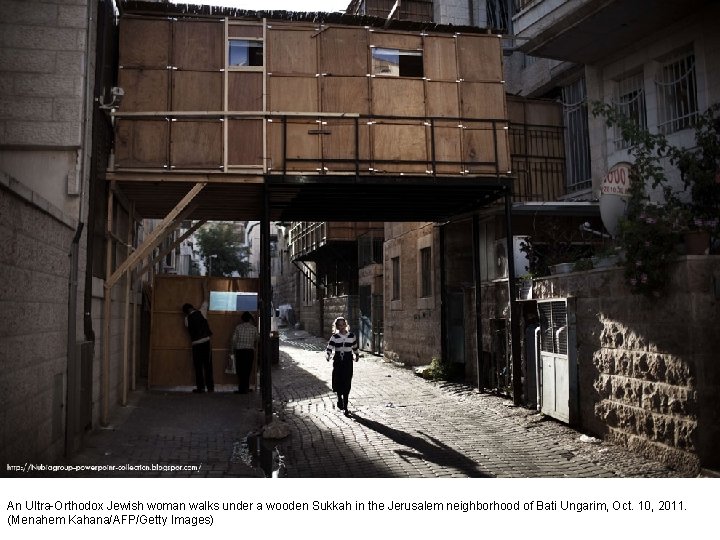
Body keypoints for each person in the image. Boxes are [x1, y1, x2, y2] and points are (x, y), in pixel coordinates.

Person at [325, 316, 359, 417]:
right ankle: (339, 398)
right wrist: (328, 355)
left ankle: (346, 406)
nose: (342, 327)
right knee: (338, 380)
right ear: (337, 326)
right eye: (339, 325)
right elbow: (329, 348)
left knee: (347, 381)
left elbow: (355, 347)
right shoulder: (334, 337)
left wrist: (357, 355)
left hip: (348, 361)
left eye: (343, 324)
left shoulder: (351, 336)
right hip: (338, 361)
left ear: (346, 324)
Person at [182, 301, 214, 393]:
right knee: (208, 366)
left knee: (198, 367)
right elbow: (206, 302)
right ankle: (210, 387)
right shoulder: (202, 312)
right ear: (191, 308)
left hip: (195, 344)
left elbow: (188, 327)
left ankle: (201, 388)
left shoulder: (186, 319)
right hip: (206, 342)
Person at [230, 311, 258, 394]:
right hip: (249, 351)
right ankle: (246, 387)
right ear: (250, 319)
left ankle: (241, 388)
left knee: (240, 370)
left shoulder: (238, 327)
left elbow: (234, 340)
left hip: (240, 351)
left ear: (242, 319)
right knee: (247, 370)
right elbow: (257, 338)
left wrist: (232, 349)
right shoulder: (254, 328)